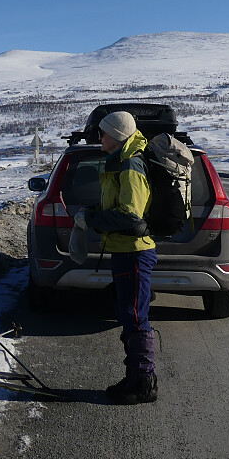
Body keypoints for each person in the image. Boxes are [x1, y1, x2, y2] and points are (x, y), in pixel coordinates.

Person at [76, 111, 158, 405]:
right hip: (125, 250)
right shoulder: (122, 160)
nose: (100, 137)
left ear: (117, 135)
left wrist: (93, 221)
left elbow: (130, 214)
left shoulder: (131, 164)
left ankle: (143, 385)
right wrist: (94, 213)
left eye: (103, 132)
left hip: (134, 252)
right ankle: (135, 379)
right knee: (129, 315)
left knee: (135, 317)